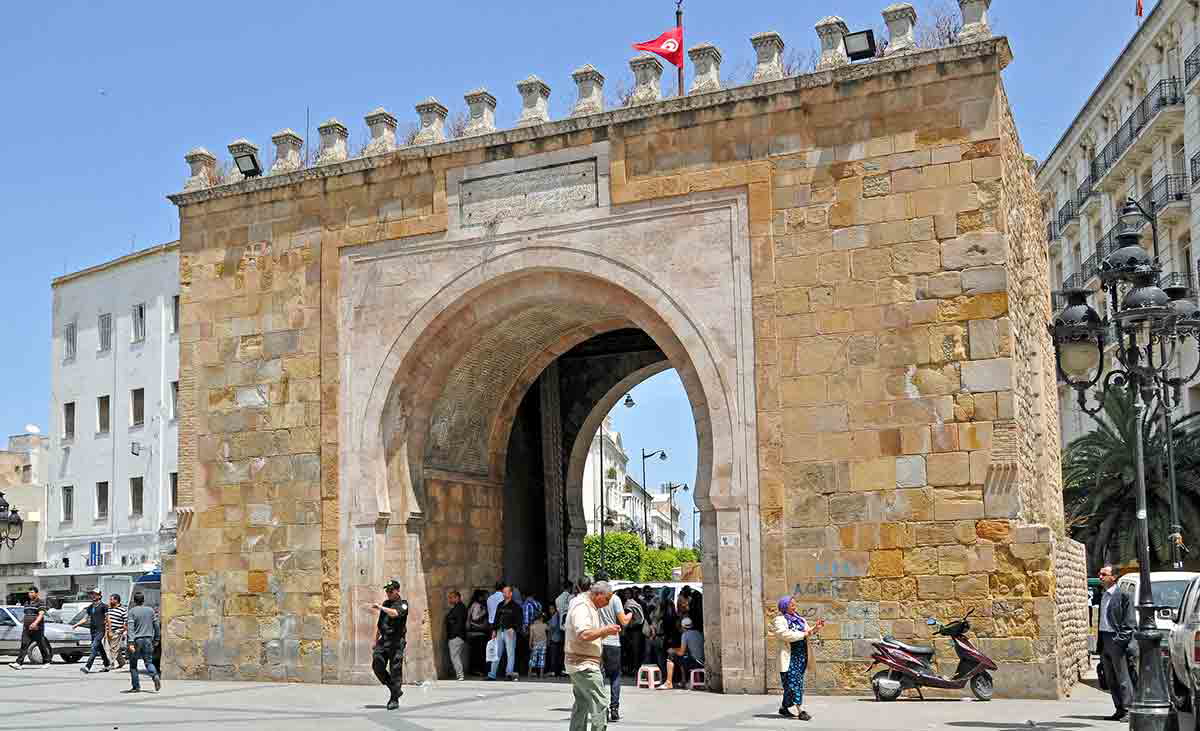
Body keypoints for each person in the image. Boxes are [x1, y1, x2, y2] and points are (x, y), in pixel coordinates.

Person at [565, 581, 621, 731]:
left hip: (579, 662)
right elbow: (583, 634)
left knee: (582, 704)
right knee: (600, 704)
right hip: (583, 664)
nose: (607, 603)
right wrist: (605, 630)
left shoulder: (586, 604)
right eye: (607, 599)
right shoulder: (583, 606)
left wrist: (603, 634)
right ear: (598, 594)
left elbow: (588, 635)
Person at [772, 595, 824, 721]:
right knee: (794, 683)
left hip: (801, 656)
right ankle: (801, 711)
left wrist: (815, 628)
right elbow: (784, 635)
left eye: (795, 604)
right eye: (792, 604)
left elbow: (807, 632)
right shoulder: (779, 620)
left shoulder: (799, 619)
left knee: (792, 684)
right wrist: (804, 634)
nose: (795, 606)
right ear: (785, 606)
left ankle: (784, 707)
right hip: (789, 656)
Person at [1098, 565, 1136, 722]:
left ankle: (1128, 709)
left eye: (1103, 574)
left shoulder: (1124, 595)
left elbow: (1129, 622)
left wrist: (1119, 641)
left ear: (1113, 577)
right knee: (1110, 678)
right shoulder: (1104, 595)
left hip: (1116, 640)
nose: (1100, 577)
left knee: (1123, 677)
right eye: (1100, 574)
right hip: (1105, 640)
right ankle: (1119, 709)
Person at [369, 579, 410, 710]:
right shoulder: (386, 603)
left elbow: (395, 614)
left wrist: (380, 607)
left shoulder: (403, 604)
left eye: (390, 590)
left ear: (397, 590)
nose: (388, 593)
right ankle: (394, 689)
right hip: (384, 640)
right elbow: (380, 624)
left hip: (396, 642)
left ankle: (394, 699)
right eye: (386, 591)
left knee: (395, 670)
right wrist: (375, 640)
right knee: (377, 665)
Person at [595, 581, 630, 721]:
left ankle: (602, 709)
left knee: (600, 676)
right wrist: (631, 613)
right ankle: (614, 708)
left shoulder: (595, 599)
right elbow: (624, 621)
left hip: (598, 641)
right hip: (613, 642)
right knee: (615, 676)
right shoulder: (615, 599)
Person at [123, 592, 161, 693]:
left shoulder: (132, 612)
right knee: (148, 662)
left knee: (133, 665)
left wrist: (130, 643)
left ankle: (136, 687)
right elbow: (156, 625)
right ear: (143, 600)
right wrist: (157, 639)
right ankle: (155, 676)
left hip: (136, 640)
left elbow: (130, 628)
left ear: (134, 601)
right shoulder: (151, 610)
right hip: (148, 639)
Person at [10, 587, 51, 668]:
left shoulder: (40, 602)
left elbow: (41, 614)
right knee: (24, 644)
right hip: (27, 628)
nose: (30, 594)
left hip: (37, 628)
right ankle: (19, 663)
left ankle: (47, 662)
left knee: (41, 644)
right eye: (29, 592)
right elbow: (26, 614)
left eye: (32, 592)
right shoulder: (26, 603)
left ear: (36, 593)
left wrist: (35, 623)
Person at [659, 617, 705, 690]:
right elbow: (686, 649)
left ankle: (668, 682)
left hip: (695, 662)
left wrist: (672, 651)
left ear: (682, 626)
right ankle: (683, 681)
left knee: (671, 656)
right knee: (682, 658)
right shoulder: (698, 632)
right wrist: (674, 649)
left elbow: (681, 652)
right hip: (702, 662)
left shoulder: (685, 635)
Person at [488, 585, 522, 681]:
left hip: (509, 632)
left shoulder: (516, 606)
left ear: (510, 593)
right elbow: (496, 619)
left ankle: (509, 674)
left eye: (505, 592)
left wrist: (514, 628)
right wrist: (494, 630)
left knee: (510, 654)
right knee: (496, 653)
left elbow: (519, 621)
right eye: (503, 592)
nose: (503, 593)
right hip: (499, 631)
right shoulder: (500, 605)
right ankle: (492, 674)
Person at [74, 588, 111, 673]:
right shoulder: (90, 607)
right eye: (92, 594)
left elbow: (108, 619)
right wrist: (76, 624)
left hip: (101, 630)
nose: (93, 596)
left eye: (95, 594)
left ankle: (88, 666)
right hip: (93, 631)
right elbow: (85, 619)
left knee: (94, 647)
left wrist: (110, 631)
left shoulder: (103, 606)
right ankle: (107, 664)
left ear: (99, 596)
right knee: (100, 648)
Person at [444, 590, 468, 681]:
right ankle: (459, 674)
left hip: (456, 636)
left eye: (451, 597)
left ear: (457, 598)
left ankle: (460, 675)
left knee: (455, 656)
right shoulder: (458, 607)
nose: (449, 600)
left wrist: (453, 635)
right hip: (457, 636)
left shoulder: (459, 608)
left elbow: (459, 623)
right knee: (456, 656)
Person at [466, 589, 490, 676]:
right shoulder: (477, 605)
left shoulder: (475, 604)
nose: (487, 598)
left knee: (476, 653)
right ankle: (476, 670)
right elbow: (475, 617)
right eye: (485, 596)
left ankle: (476, 670)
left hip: (477, 633)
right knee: (478, 653)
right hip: (477, 634)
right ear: (480, 597)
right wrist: (484, 612)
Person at [106, 594, 128, 669]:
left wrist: (124, 631)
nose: (110, 601)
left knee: (113, 648)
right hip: (108, 631)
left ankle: (111, 664)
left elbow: (126, 621)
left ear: (116, 600)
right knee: (114, 648)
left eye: (111, 599)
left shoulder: (123, 610)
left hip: (117, 631)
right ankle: (122, 662)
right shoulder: (109, 609)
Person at [528, 611, 549, 678]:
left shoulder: (532, 626)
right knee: (542, 659)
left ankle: (529, 673)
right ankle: (541, 674)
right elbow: (550, 629)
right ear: (541, 618)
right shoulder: (545, 625)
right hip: (543, 644)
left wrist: (530, 644)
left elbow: (531, 636)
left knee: (533, 659)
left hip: (535, 644)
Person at [547, 604, 565, 677]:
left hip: (554, 639)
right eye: (550, 609)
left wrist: (549, 636)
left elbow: (553, 627)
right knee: (558, 656)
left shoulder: (555, 616)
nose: (550, 610)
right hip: (559, 638)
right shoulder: (559, 616)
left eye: (552, 608)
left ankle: (554, 671)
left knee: (554, 656)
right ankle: (558, 671)